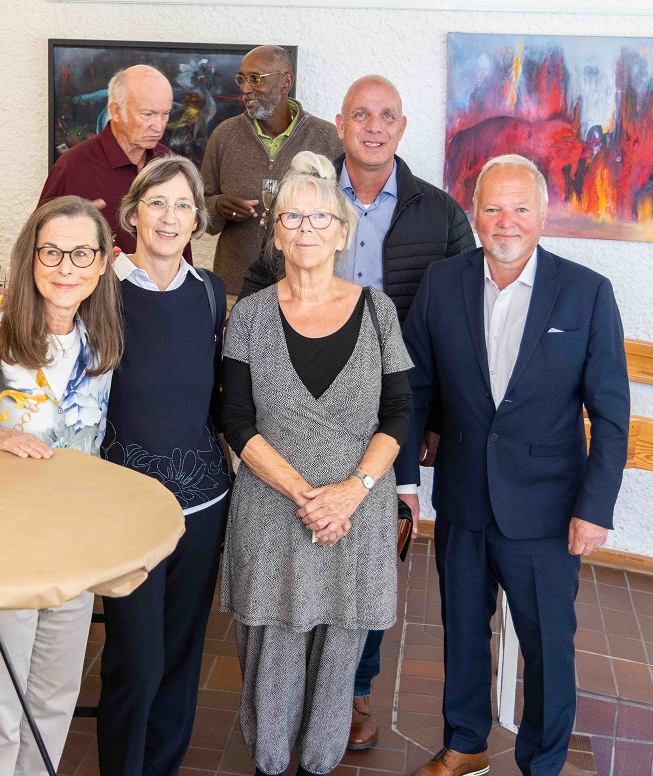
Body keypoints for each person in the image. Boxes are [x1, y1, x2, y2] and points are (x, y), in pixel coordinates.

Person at [235, 75, 477, 749]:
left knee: (371, 560)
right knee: (299, 564)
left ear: (402, 127)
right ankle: (290, 717)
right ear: (339, 124)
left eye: (388, 117)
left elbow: (458, 321)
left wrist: (437, 423)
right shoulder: (307, 200)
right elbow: (261, 283)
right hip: (299, 411)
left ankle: (354, 694)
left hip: (395, 419)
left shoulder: (438, 212)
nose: (374, 127)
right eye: (362, 115)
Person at [397, 155, 629, 776]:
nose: (507, 222)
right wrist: (406, 483)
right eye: (493, 208)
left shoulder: (587, 293)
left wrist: (595, 507)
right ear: (474, 214)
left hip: (548, 510)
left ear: (543, 215)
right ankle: (466, 742)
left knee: (550, 647)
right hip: (466, 499)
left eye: (521, 208)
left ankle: (543, 763)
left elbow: (610, 414)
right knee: (463, 633)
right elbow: (415, 389)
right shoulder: (442, 284)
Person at [219, 151, 413, 776]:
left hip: (356, 520)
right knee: (270, 652)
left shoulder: (379, 312)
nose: (306, 228)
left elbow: (400, 413)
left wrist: (350, 493)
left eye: (319, 217)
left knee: (339, 655)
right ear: (275, 231)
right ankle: (271, 764)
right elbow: (236, 420)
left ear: (341, 230)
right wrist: (309, 495)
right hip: (275, 515)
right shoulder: (248, 316)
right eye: (292, 217)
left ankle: (322, 762)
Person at [0, 196, 124, 775]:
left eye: (82, 253)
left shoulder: (100, 345)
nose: (66, 267)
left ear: (103, 262)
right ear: (31, 258)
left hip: (72, 551)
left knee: (52, 701)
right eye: (52, 251)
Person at [96, 156, 230, 775]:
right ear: (132, 214)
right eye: (157, 203)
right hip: (127, 510)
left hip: (204, 503)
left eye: (182, 206)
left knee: (181, 655)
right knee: (136, 659)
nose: (169, 217)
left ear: (198, 219)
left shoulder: (209, 292)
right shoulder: (101, 292)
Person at [200, 45, 343, 295]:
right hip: (236, 290)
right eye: (242, 79)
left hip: (307, 293)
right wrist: (217, 206)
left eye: (256, 79)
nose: (245, 89)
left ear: (286, 81)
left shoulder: (327, 138)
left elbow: (344, 215)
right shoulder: (224, 136)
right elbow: (200, 214)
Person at [38, 65, 190, 263]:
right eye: (148, 115)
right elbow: (40, 243)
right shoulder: (73, 167)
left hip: (162, 291)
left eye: (165, 114)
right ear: (116, 111)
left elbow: (182, 241)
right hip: (100, 291)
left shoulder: (166, 161)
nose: (159, 126)